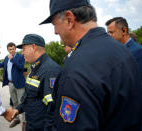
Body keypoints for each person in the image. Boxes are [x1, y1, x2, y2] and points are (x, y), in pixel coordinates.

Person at [40, 0, 142, 130]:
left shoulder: (76, 69)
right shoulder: (123, 51)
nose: (55, 31)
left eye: (55, 24)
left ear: (69, 19)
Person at [11, 34, 61, 131]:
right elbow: (30, 97)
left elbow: (53, 108)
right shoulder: (34, 68)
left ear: (33, 47)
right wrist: (18, 109)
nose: (22, 53)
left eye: (24, 49)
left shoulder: (50, 70)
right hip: (31, 124)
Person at [0, 42, 26, 128]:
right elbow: (1, 65)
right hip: (11, 83)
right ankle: (17, 119)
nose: (11, 51)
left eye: (13, 49)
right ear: (7, 50)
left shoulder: (20, 57)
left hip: (19, 83)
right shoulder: (6, 58)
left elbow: (21, 67)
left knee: (21, 102)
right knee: (14, 102)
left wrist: (13, 59)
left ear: (15, 49)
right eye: (10, 49)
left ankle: (25, 122)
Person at [106, 17, 142, 87]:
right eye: (108, 33)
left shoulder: (138, 51)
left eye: (111, 32)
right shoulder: (115, 51)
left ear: (124, 31)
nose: (109, 36)